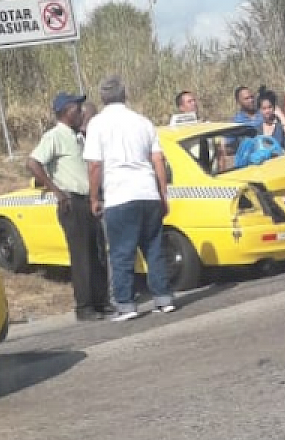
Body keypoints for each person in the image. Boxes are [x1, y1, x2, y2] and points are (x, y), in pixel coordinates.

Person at [84, 76, 175, 321]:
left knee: (122, 253)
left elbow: (94, 165)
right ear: (125, 95)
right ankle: (163, 299)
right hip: (148, 192)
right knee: (153, 248)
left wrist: (94, 197)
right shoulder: (142, 122)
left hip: (119, 195)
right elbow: (158, 160)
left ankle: (126, 304)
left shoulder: (97, 124)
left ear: (102, 98)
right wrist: (162, 193)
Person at [26, 93, 110, 322]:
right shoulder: (54, 136)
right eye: (77, 108)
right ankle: (85, 306)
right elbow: (33, 162)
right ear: (66, 111)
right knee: (82, 256)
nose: (81, 112)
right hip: (72, 202)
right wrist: (56, 191)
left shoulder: (79, 137)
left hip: (89, 200)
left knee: (98, 252)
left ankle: (102, 301)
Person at [257, 86, 285, 154]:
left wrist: (280, 114)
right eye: (264, 108)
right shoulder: (258, 129)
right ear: (260, 110)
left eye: (270, 107)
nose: (267, 111)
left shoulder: (281, 124)